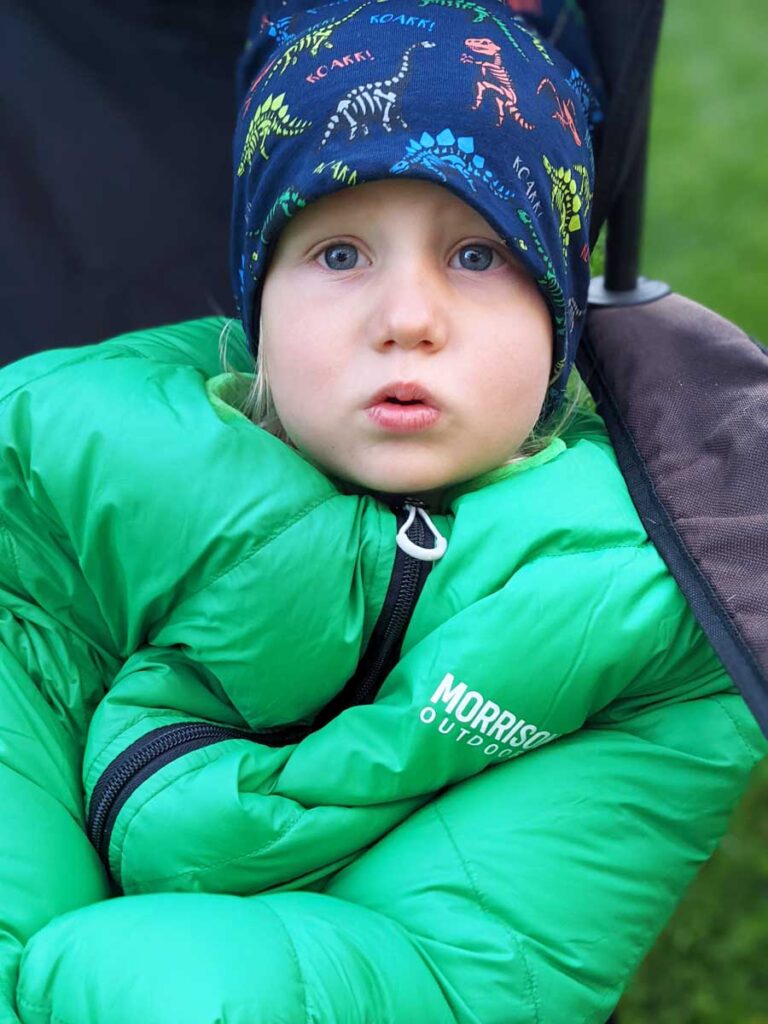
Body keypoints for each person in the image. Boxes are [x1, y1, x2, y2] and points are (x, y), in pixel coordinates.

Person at [1, 1, 765, 1022]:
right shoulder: (68, 460)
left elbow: (467, 966)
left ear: (561, 321)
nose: (407, 318)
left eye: (478, 256)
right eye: (341, 255)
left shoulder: (637, 600)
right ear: (254, 307)